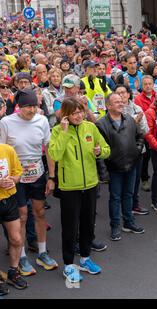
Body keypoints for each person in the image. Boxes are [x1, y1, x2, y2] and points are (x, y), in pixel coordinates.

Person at [48, 97, 110, 284]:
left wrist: (100, 152)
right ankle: (68, 265)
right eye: (74, 113)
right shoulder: (58, 131)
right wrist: (65, 133)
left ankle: (84, 258)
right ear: (66, 114)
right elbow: (54, 155)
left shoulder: (91, 128)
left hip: (90, 184)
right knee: (69, 227)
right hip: (69, 187)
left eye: (81, 111)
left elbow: (107, 149)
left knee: (87, 224)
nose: (78, 116)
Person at [0, 88, 58, 276]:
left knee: (40, 212)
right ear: (18, 106)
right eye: (27, 107)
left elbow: (48, 148)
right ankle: (22, 255)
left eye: (34, 106)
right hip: (16, 176)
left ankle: (42, 252)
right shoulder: (6, 122)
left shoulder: (41, 121)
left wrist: (51, 176)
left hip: (37, 173)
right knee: (22, 215)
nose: (32, 110)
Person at [96, 93, 146, 241]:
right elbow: (98, 151)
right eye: (116, 102)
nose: (121, 103)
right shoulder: (101, 124)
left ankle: (129, 223)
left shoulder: (130, 119)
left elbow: (140, 136)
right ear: (108, 106)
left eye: (121, 101)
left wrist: (137, 151)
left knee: (129, 195)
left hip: (131, 166)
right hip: (114, 168)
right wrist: (103, 173)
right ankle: (115, 226)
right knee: (115, 198)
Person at [115, 84, 150, 215]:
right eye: (118, 93)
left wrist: (139, 122)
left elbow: (145, 130)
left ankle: (134, 205)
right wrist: (132, 123)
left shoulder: (137, 108)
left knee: (135, 181)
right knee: (121, 183)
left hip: (137, 150)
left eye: (123, 92)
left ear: (129, 94)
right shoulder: (114, 111)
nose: (121, 95)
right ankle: (123, 209)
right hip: (120, 152)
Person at [0, 143, 28, 293]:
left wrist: (14, 180)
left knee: (16, 239)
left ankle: (13, 272)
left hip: (9, 200)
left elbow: (18, 172)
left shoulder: (7, 149)